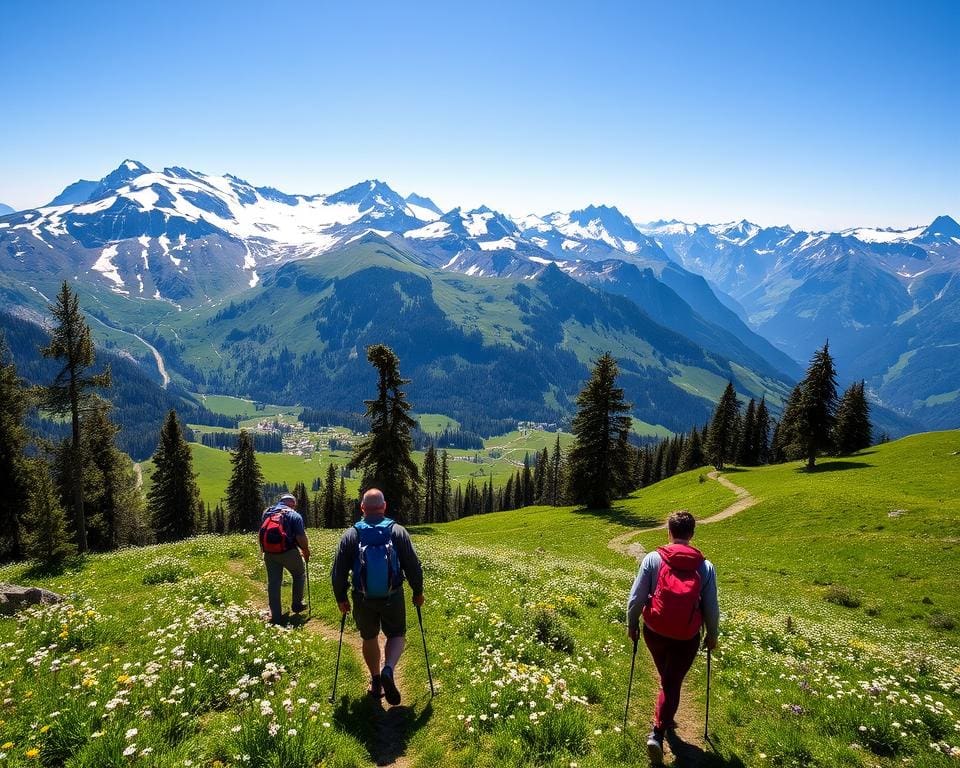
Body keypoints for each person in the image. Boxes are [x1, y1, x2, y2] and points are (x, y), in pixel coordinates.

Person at [626, 510, 719, 765]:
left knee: (668, 678)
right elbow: (711, 606)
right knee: (672, 680)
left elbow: (636, 598)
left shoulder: (653, 559)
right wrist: (712, 635)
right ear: (692, 534)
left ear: (669, 531)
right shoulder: (705, 566)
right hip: (687, 636)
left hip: (654, 631)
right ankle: (657, 733)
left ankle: (662, 720)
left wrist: (632, 624)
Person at [331, 488, 424, 705]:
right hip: (393, 594)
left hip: (363, 597)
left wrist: (341, 598)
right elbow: (413, 566)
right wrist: (418, 592)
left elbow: (338, 572)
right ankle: (388, 669)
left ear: (362, 508)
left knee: (369, 637)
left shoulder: (351, 534)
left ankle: (375, 680)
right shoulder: (398, 531)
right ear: (384, 507)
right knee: (397, 634)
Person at [260, 493, 311, 625]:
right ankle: (297, 604)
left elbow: (263, 531)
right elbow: (301, 537)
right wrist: (305, 550)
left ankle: (275, 616)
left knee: (274, 582)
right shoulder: (294, 515)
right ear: (292, 504)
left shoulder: (267, 513)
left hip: (269, 553)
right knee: (299, 574)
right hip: (288, 552)